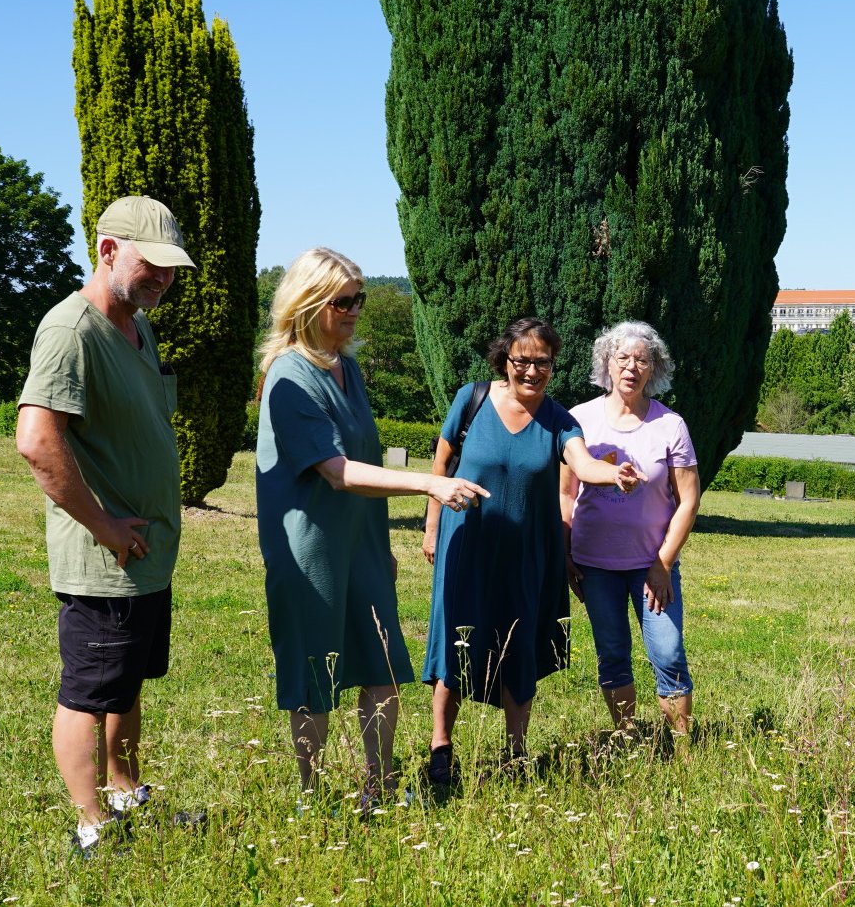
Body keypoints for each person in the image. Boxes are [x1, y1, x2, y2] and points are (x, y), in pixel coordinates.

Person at [253, 247, 488, 808]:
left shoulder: (346, 368)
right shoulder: (290, 374)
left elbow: (363, 455)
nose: (357, 309)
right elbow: (336, 472)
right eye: (345, 301)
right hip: (310, 552)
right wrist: (430, 484)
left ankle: (378, 787)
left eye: (360, 298)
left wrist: (380, 548)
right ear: (310, 304)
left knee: (380, 664)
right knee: (316, 673)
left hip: (361, 547)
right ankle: (313, 796)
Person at [16, 196, 193, 852]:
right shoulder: (71, 330)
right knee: (87, 695)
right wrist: (106, 526)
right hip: (104, 563)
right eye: (153, 264)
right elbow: (37, 441)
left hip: (144, 559)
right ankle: (92, 826)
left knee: (126, 687)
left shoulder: (137, 328)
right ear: (108, 249)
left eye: (173, 268)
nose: (164, 278)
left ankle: (126, 795)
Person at [421, 318, 639, 783]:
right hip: (468, 548)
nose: (532, 371)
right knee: (458, 643)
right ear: (505, 360)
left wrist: (611, 474)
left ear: (553, 366)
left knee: (518, 647)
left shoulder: (560, 420)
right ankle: (441, 747)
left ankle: (515, 754)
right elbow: (441, 464)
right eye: (522, 361)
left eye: (543, 362)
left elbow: (581, 463)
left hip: (527, 556)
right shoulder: (471, 399)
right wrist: (432, 528)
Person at [561, 322, 699, 736]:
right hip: (594, 565)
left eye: (642, 359)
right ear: (607, 362)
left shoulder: (670, 425)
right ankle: (627, 736)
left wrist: (663, 562)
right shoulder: (579, 420)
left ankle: (682, 751)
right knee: (612, 653)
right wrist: (566, 556)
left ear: (654, 368)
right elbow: (566, 495)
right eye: (622, 357)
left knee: (668, 653)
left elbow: (689, 499)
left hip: (651, 565)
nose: (631, 367)